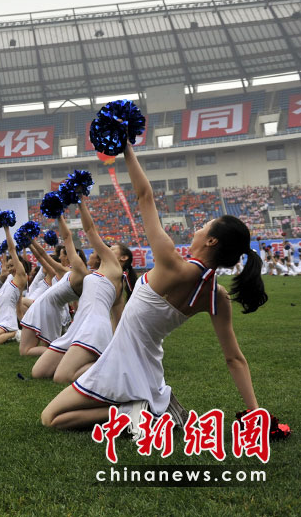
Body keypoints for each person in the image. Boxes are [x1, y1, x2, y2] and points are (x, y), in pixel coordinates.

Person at [41, 141, 267, 431]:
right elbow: (234, 359)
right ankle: (142, 409)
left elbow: (144, 196)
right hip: (148, 372)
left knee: (51, 418)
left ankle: (135, 412)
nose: (197, 229)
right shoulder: (217, 296)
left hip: (122, 365)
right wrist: (256, 414)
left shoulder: (172, 263)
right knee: (58, 416)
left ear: (211, 241)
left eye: (204, 227)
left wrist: (125, 146)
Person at [32, 200, 130, 383]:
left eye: (112, 249)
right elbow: (67, 239)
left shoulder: (114, 268)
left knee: (61, 377)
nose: (107, 249)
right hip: (78, 325)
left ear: (123, 258)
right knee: (39, 372)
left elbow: (90, 230)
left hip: (93, 328)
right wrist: (59, 216)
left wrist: (80, 200)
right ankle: (103, 360)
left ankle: (111, 365)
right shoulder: (102, 275)